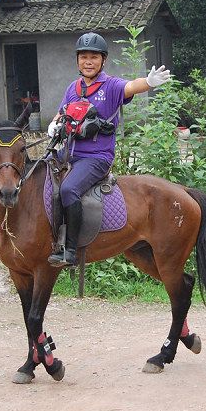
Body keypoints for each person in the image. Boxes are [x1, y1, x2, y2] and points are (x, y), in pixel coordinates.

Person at [46, 32, 172, 267]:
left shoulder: (111, 86)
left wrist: (149, 82)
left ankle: (69, 250)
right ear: (77, 61)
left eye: (94, 57)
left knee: (69, 189)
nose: (88, 61)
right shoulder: (73, 88)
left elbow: (131, 86)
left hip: (96, 158)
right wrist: (54, 125)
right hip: (68, 153)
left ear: (103, 60)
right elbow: (62, 112)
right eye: (83, 57)